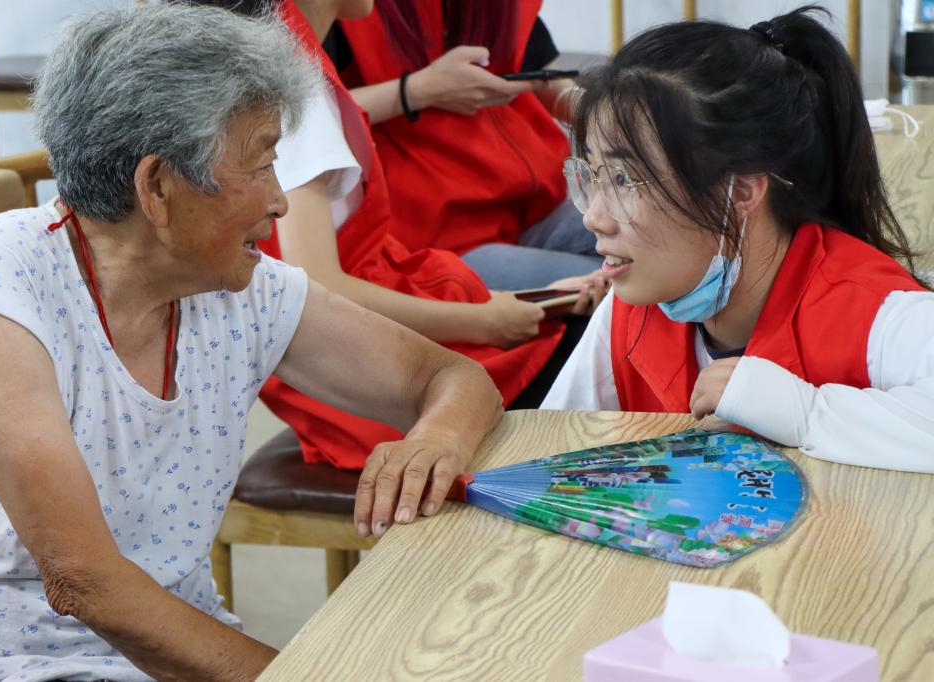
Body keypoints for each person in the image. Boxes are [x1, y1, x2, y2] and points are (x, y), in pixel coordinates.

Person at [0, 5, 507, 680]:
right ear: (158, 186)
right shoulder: (1, 289)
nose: (280, 201)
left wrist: (435, 440)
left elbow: (452, 378)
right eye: (261, 165)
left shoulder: (235, 287)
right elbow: (85, 582)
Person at [189, 0, 607, 475]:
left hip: (368, 314)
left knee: (583, 315)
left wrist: (502, 306)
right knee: (597, 337)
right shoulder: (295, 91)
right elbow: (314, 291)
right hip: (348, 366)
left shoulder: (286, 67)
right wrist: (486, 320)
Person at [541, 6, 934, 473]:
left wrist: (807, 414)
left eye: (625, 179)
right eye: (594, 175)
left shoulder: (872, 311)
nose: (594, 218)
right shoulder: (633, 309)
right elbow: (551, 449)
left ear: (742, 191)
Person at [331, 0, 603, 289]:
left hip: (535, 207)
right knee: (613, 283)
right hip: (437, 238)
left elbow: (543, 76)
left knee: (638, 234)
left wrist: (612, 116)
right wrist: (416, 91)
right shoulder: (352, 11)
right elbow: (310, 117)